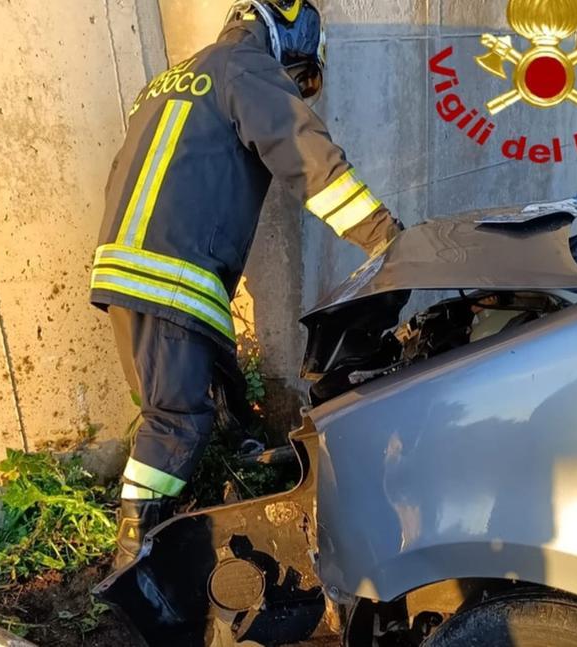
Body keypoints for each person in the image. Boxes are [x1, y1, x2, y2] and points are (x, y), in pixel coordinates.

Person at [90, 0, 403, 567]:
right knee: (175, 418)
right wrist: (389, 239)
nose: (298, 89)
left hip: (129, 269)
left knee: (225, 392)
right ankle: (134, 565)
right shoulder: (247, 67)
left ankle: (248, 462)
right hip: (171, 275)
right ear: (287, 34)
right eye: (300, 76)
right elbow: (308, 161)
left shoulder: (173, 80)